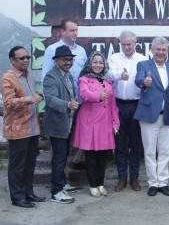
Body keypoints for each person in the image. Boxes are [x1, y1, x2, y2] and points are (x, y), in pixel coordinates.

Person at [134, 37, 169, 197]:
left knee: (165, 151)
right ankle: (153, 183)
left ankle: (163, 182)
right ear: (152, 50)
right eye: (157, 49)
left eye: (163, 50)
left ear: (167, 51)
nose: (160, 52)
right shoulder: (143, 65)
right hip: (148, 116)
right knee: (149, 152)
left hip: (167, 116)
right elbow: (138, 79)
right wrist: (144, 82)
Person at [41, 18, 88, 177]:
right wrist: (54, 100)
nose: (75, 33)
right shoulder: (51, 50)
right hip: (62, 103)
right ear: (62, 31)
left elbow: (86, 74)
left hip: (80, 101)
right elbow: (47, 76)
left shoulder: (81, 51)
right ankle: (62, 178)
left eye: (76, 30)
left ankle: (78, 160)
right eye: (72, 30)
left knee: (80, 135)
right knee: (60, 141)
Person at [0, 46, 45, 208]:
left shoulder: (29, 75)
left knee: (30, 162)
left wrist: (36, 97)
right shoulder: (8, 78)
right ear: (12, 60)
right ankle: (17, 197)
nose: (26, 60)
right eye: (22, 58)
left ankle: (28, 193)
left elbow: (32, 97)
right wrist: (29, 99)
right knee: (17, 165)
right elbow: (8, 103)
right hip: (18, 128)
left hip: (32, 127)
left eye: (27, 57)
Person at [73, 51, 120, 198]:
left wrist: (115, 122)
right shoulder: (83, 79)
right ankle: (92, 184)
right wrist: (98, 96)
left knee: (103, 156)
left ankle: (101, 183)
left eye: (100, 62)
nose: (98, 65)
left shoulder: (107, 81)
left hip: (105, 123)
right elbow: (84, 94)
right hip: (90, 122)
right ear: (90, 63)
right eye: (95, 62)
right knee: (92, 155)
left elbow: (113, 104)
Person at [108, 31, 148, 192]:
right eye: (123, 44)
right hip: (118, 105)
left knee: (136, 143)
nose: (126, 47)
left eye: (129, 44)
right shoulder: (114, 58)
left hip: (137, 104)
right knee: (120, 144)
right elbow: (109, 74)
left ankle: (135, 178)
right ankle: (122, 178)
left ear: (135, 44)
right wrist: (120, 75)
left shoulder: (143, 59)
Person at [42, 45, 79, 204]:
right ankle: (56, 192)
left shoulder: (68, 76)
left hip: (67, 122)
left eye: (70, 60)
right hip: (58, 124)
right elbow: (50, 99)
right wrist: (67, 105)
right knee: (58, 158)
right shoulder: (51, 76)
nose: (68, 62)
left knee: (63, 156)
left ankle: (62, 183)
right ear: (56, 60)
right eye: (65, 60)